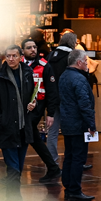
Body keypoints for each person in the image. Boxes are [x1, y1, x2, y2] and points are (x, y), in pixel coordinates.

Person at [0, 45, 31, 191]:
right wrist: (2, 121)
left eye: (14, 56)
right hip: (7, 128)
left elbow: (31, 97)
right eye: (8, 56)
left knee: (19, 167)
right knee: (13, 169)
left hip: (24, 128)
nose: (11, 59)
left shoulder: (28, 74)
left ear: (20, 57)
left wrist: (33, 106)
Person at [56, 49, 96, 201]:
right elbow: (84, 104)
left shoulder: (64, 76)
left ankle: (68, 187)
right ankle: (74, 189)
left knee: (69, 157)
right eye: (85, 61)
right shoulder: (79, 79)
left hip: (67, 123)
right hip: (78, 124)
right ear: (79, 63)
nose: (87, 64)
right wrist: (91, 124)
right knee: (78, 158)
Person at [22, 39, 63, 179]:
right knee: (32, 137)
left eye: (34, 47)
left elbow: (52, 91)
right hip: (21, 106)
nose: (33, 50)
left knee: (26, 133)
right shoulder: (18, 64)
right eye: (29, 48)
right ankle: (53, 167)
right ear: (23, 51)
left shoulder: (44, 66)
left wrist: (50, 113)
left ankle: (14, 172)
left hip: (37, 106)